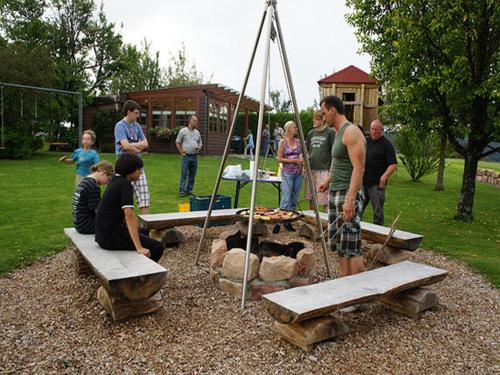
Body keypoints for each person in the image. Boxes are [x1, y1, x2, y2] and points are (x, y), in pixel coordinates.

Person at [318, 96, 366, 297]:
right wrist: (327, 182)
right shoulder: (337, 133)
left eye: (323, 112)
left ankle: (359, 296)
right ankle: (346, 292)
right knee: (341, 246)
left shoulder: (351, 131)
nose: (322, 117)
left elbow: (358, 168)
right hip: (336, 193)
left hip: (348, 195)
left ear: (332, 110)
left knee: (352, 246)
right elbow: (338, 162)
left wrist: (349, 200)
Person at [95, 153, 164, 262]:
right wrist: (139, 247)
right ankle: (144, 274)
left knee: (144, 232)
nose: (141, 173)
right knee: (158, 247)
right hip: (110, 238)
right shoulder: (125, 185)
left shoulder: (115, 181)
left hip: (102, 235)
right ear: (130, 169)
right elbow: (129, 216)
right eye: (139, 169)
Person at [114, 100, 150, 215]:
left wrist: (131, 146)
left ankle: (145, 226)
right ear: (129, 112)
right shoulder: (120, 126)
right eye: (136, 113)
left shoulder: (137, 126)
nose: (138, 115)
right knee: (123, 198)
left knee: (144, 197)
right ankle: (123, 226)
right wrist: (137, 148)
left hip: (138, 166)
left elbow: (146, 144)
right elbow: (125, 146)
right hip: (124, 167)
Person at [362, 119, 398, 226]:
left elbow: (393, 164)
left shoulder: (386, 144)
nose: (374, 132)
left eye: (376, 130)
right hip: (364, 182)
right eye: (372, 129)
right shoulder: (367, 141)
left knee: (378, 212)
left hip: (376, 184)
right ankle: (357, 231)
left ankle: (378, 235)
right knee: (357, 208)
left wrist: (384, 177)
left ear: (382, 130)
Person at [274, 121, 303, 233]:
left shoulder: (298, 142)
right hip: (287, 173)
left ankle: (288, 222)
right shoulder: (283, 142)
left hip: (298, 173)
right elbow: (279, 159)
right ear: (288, 129)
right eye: (294, 127)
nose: (296, 129)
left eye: (296, 127)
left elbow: (300, 154)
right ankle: (278, 221)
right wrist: (294, 160)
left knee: (293, 199)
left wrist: (302, 163)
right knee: (286, 198)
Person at [72, 161, 114, 234]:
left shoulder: (85, 181)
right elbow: (99, 211)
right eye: (108, 179)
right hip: (86, 225)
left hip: (78, 223)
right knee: (116, 224)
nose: (107, 183)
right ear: (103, 173)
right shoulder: (93, 186)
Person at [305, 110, 335, 212]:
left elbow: (334, 152)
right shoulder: (311, 133)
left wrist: (331, 169)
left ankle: (325, 223)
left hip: (324, 169)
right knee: (311, 197)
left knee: (324, 198)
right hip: (311, 169)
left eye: (317, 119)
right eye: (314, 119)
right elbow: (307, 150)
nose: (314, 121)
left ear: (323, 120)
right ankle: (312, 222)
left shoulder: (330, 132)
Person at [175, 115, 202, 197]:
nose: (196, 122)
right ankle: (182, 191)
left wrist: (199, 148)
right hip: (186, 156)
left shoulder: (197, 132)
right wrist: (181, 152)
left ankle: (189, 190)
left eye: (196, 121)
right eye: (195, 121)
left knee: (192, 174)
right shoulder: (183, 131)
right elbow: (177, 142)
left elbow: (200, 143)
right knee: (184, 173)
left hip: (194, 156)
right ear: (190, 121)